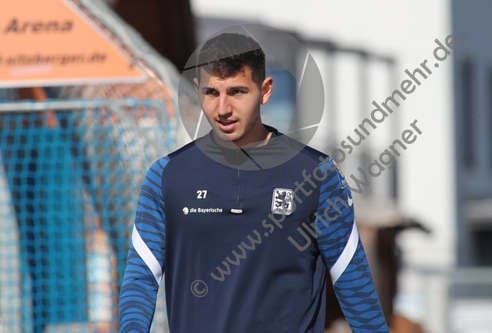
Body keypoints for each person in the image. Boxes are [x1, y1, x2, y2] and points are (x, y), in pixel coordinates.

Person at [119, 32, 389, 333]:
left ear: (265, 90)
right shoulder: (167, 176)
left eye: (236, 92)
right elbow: (140, 279)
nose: (222, 109)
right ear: (197, 91)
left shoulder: (318, 175)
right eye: (211, 93)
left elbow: (354, 283)